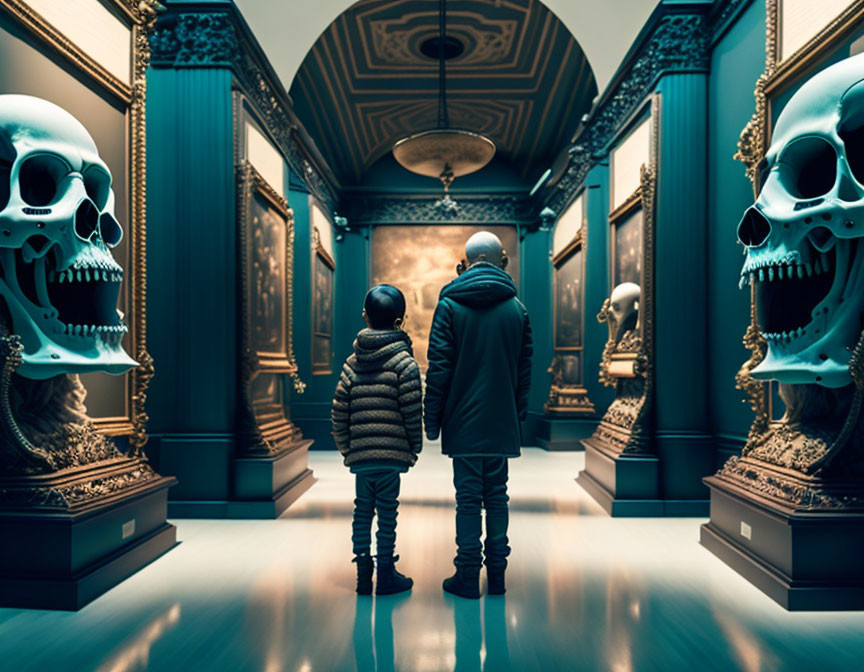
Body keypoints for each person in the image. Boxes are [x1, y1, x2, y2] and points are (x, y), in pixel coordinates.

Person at [424, 231, 533, 599]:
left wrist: (432, 419)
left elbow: (439, 368)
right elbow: (523, 373)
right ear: (503, 261)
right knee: (498, 495)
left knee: (468, 497)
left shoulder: (449, 306)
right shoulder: (517, 309)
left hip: (463, 420)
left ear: (465, 262)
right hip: (501, 420)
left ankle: (467, 575)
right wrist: (517, 419)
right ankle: (498, 576)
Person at [331, 284, 423, 596]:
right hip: (392, 457)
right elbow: (412, 411)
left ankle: (361, 574)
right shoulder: (405, 364)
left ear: (364, 317)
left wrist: (348, 448)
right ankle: (386, 573)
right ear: (401, 321)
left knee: (361, 510)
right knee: (387, 513)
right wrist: (413, 447)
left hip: (361, 456)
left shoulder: (351, 362)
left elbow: (339, 412)